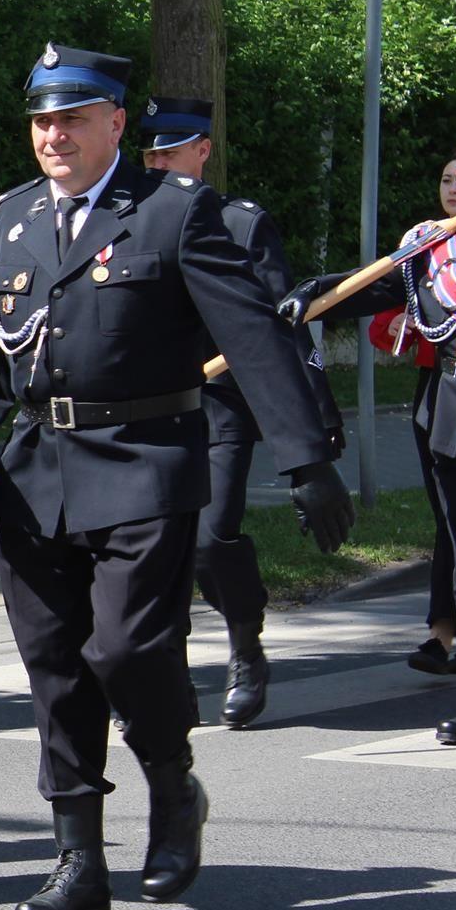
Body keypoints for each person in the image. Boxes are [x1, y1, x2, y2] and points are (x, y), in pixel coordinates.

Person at [0, 43, 353, 910]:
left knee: (125, 652)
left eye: (74, 118)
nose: (55, 135)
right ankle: (79, 862)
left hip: (145, 463)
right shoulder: (8, 222)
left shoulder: (172, 213)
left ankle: (171, 778)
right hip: (35, 476)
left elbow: (250, 338)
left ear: (116, 124)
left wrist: (307, 459)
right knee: (55, 670)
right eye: (43, 120)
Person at [137, 96, 343, 727]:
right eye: (150, 153)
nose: (158, 163)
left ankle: (245, 646)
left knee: (208, 537)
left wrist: (313, 437)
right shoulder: (125, 221)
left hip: (219, 408)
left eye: (171, 151)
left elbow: (282, 334)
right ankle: (156, 675)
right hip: (145, 410)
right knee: (146, 546)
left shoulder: (240, 224)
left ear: (203, 150)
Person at [281, 147, 456, 744]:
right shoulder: (430, 244)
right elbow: (378, 287)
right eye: (451, 176)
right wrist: (317, 293)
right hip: (454, 407)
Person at [367, 154, 456, 674]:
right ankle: (442, 632)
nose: (454, 187)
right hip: (440, 388)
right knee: (448, 516)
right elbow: (382, 324)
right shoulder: (430, 244)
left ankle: (447, 632)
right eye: (447, 178)